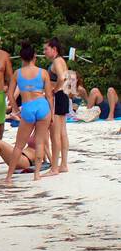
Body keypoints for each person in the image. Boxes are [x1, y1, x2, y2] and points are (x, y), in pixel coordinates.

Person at [6, 42, 51, 183]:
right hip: (43, 106)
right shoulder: (43, 72)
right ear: (34, 57)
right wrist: (52, 113)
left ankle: (9, 176)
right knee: (40, 143)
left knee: (19, 145)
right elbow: (49, 95)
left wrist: (15, 109)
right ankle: (37, 174)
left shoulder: (17, 73)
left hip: (27, 107)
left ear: (21, 58)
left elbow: (10, 94)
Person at [44, 38, 71, 174]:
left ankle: (54, 167)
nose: (44, 52)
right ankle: (63, 164)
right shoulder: (61, 61)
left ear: (54, 49)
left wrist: (54, 90)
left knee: (56, 134)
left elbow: (61, 78)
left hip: (59, 96)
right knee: (62, 132)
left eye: (46, 49)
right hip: (64, 95)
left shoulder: (56, 61)